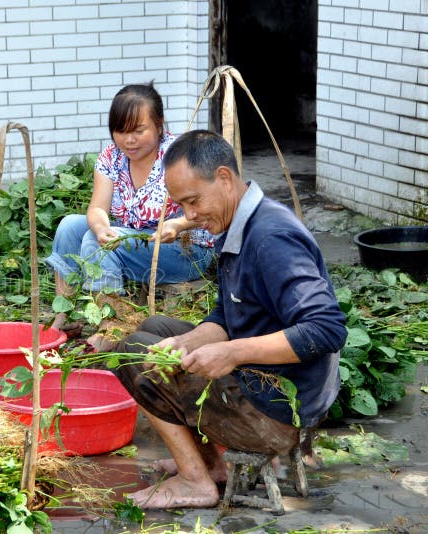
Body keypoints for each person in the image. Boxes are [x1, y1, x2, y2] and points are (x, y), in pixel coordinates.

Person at [113, 130, 347, 509]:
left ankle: (194, 482)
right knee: (156, 334)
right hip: (263, 384)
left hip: (280, 411)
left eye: (193, 201)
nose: (189, 216)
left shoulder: (271, 237)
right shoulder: (236, 220)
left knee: (132, 354)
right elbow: (228, 312)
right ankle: (209, 463)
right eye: (181, 206)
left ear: (224, 178)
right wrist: (191, 342)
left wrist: (232, 353)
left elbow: (327, 329)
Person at [44, 82, 214, 350]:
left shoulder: (179, 155)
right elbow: (98, 208)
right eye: (120, 131)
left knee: (95, 243)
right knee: (70, 227)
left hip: (184, 248)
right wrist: (101, 227)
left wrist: (179, 224)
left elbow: (209, 207)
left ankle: (112, 326)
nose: (129, 140)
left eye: (138, 130)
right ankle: (61, 317)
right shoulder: (112, 158)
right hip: (134, 239)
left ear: (159, 124)